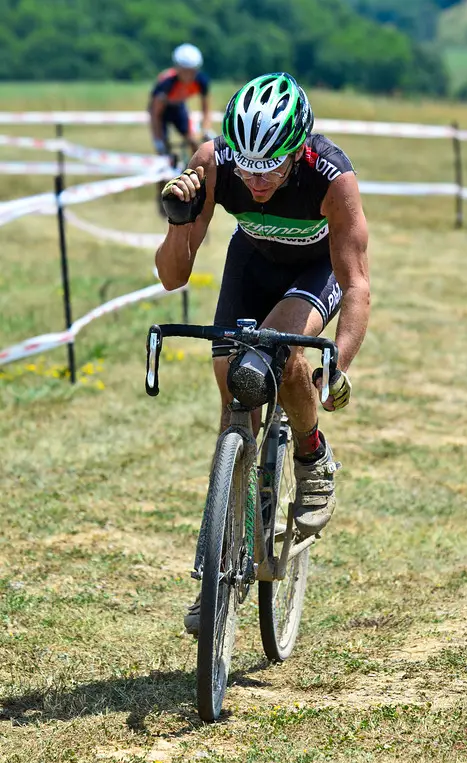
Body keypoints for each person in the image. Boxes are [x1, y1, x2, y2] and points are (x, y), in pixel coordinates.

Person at [155, 72, 370, 635]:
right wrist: (180, 221)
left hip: (313, 270)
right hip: (249, 265)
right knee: (234, 401)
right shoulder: (214, 163)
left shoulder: (332, 179)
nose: (254, 179)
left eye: (270, 166)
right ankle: (216, 568)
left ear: (297, 151)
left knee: (280, 355)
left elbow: (356, 285)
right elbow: (173, 277)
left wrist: (337, 365)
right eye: (245, 165)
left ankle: (311, 454)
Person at [148, 43, 212, 161]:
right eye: (185, 71)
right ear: (177, 68)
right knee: (164, 150)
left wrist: (205, 129)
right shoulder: (166, 84)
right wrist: (158, 140)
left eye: (192, 71)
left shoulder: (201, 81)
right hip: (161, 112)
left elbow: (206, 108)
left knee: (193, 141)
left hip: (178, 107)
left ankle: (198, 169)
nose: (189, 76)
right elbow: (155, 114)